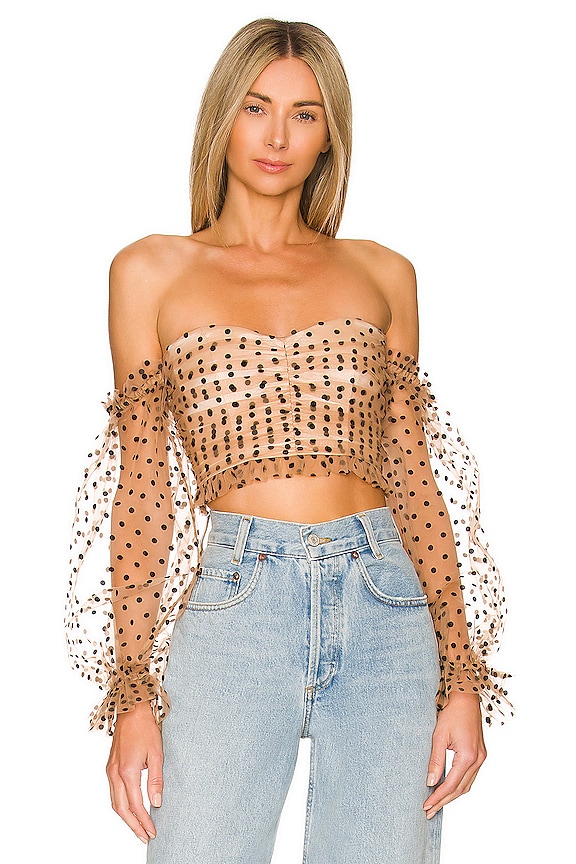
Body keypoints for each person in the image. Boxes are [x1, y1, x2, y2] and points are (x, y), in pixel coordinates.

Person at [66, 17, 512, 864]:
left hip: (387, 605)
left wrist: (461, 676)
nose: (277, 136)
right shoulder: (150, 271)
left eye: (305, 114)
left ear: (329, 134)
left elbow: (415, 481)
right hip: (237, 605)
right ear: (222, 117)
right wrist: (132, 693)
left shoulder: (383, 272)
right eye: (256, 107)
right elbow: (144, 491)